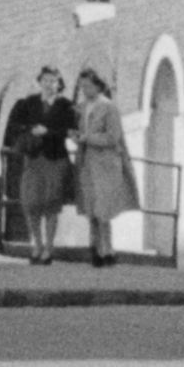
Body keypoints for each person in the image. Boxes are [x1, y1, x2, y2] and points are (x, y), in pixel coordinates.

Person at [2, 70, 75, 262]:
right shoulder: (29, 103)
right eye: (45, 80)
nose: (49, 84)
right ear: (39, 82)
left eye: (53, 81)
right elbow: (15, 125)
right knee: (31, 203)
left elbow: (70, 131)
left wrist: (48, 131)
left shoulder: (66, 106)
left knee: (51, 204)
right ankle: (37, 245)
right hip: (33, 158)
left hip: (55, 159)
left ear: (59, 84)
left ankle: (48, 249)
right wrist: (30, 129)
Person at [68, 67, 137, 271]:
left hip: (106, 164)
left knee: (103, 210)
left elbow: (113, 137)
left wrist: (87, 138)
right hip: (87, 163)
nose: (84, 90)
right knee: (91, 208)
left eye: (87, 86)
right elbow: (81, 131)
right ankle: (97, 249)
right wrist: (76, 136)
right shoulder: (82, 107)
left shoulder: (109, 108)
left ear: (97, 85)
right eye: (81, 86)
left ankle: (107, 251)